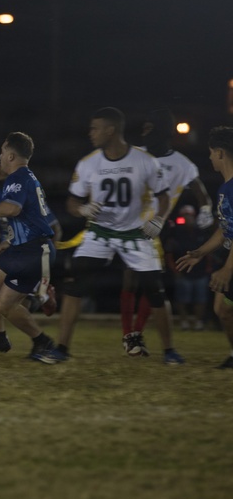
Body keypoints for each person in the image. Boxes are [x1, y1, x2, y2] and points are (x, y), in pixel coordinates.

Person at [35, 107, 183, 365]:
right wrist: (81, 209)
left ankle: (170, 351)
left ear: (110, 130)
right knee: (75, 283)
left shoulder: (145, 161)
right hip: (100, 233)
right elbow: (72, 201)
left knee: (155, 290)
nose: (90, 134)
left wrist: (159, 219)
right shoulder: (88, 163)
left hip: (135, 234)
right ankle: (61, 348)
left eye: (95, 128)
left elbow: (163, 196)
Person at [118, 109, 213, 353]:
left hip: (156, 229)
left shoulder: (182, 164)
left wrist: (205, 210)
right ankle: (129, 333)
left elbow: (200, 191)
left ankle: (134, 333)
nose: (144, 132)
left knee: (151, 282)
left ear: (162, 132)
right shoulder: (133, 155)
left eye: (149, 128)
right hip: (129, 226)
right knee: (132, 277)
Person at [0, 132, 58, 358]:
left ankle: (19, 337)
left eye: (2, 152)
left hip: (32, 251)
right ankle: (26, 340)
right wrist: (9, 240)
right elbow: (28, 217)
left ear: (12, 156)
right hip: (29, 248)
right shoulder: (25, 177)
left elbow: (11, 210)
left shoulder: (18, 178)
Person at [175, 126, 233, 369]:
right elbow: (225, 228)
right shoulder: (225, 188)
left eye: (211, 152)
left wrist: (227, 269)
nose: (209, 157)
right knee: (221, 308)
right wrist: (201, 252)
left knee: (222, 307)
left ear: (219, 153)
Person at [0, 170, 62, 317]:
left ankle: (40, 296)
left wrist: (44, 259)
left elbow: (54, 229)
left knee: (18, 302)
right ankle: (0, 335)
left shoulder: (27, 192)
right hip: (8, 250)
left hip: (28, 250)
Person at [165, 205, 212, 331]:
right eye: (184, 216)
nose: (187, 218)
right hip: (183, 271)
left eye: (189, 216)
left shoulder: (201, 231)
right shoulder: (175, 233)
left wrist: (208, 268)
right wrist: (174, 270)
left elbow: (208, 251)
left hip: (200, 271)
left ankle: (198, 321)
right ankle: (184, 321)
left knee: (201, 299)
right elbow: (169, 254)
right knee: (182, 299)